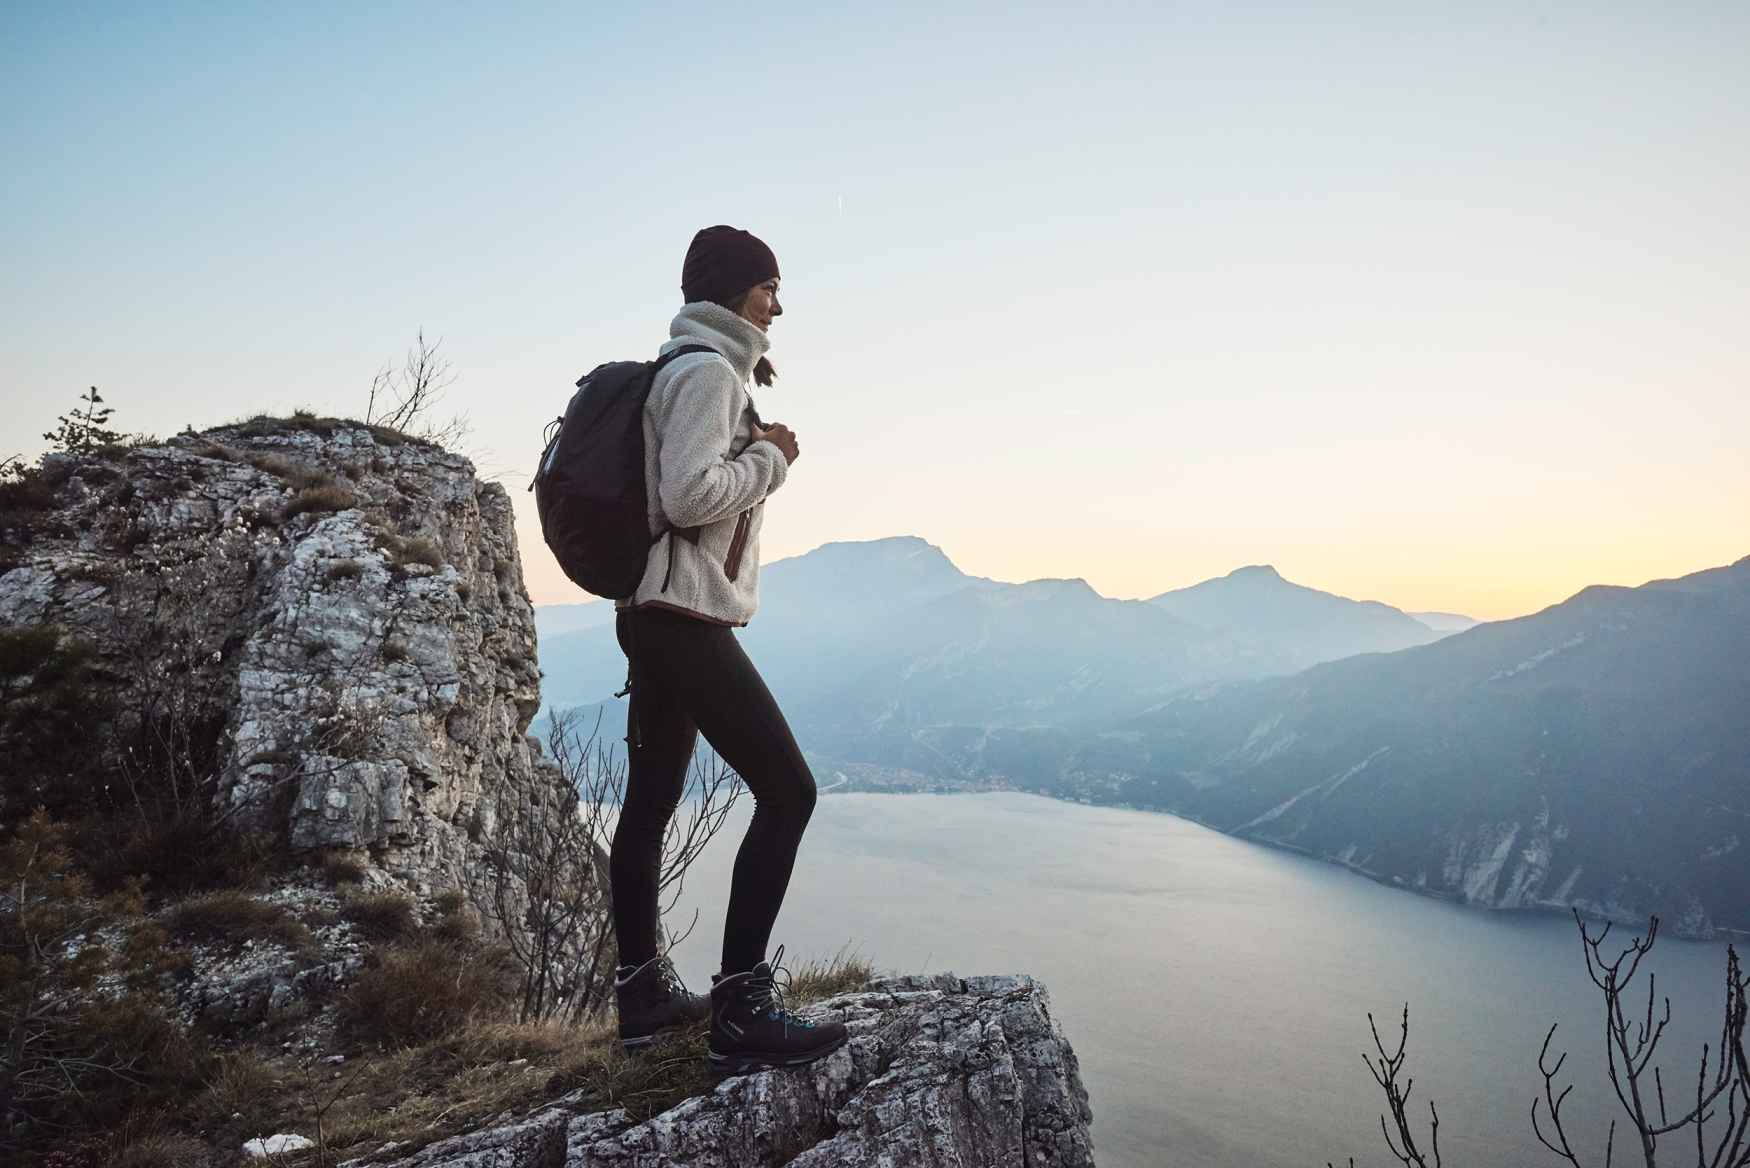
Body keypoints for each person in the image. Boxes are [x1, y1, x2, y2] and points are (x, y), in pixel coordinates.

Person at [607, 225, 848, 1074]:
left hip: (653, 612)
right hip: (682, 617)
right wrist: (770, 459)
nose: (778, 304)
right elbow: (691, 495)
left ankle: (640, 998)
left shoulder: (692, 368)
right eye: (768, 287)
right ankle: (742, 1005)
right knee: (789, 791)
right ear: (732, 290)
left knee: (650, 803)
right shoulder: (708, 373)